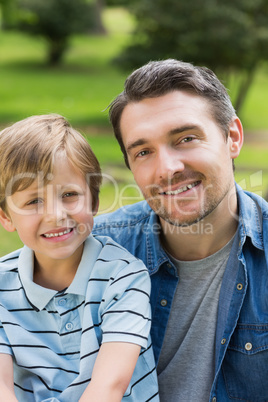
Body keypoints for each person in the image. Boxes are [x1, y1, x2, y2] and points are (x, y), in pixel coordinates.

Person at [93, 59, 268, 401]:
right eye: (143, 151)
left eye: (186, 138)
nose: (168, 168)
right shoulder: (95, 252)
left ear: (232, 137)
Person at [0, 114, 159, 402]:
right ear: (6, 216)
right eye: (34, 201)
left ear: (94, 201)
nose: (56, 215)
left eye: (70, 194)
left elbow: (110, 386)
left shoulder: (123, 277)